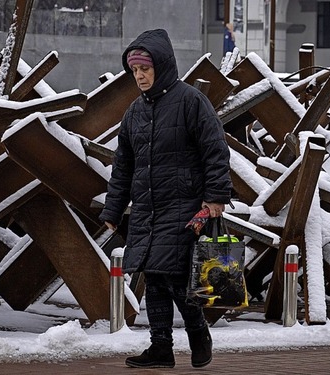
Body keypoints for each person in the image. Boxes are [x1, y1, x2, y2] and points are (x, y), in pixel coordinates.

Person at [99, 29, 232, 369]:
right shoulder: (134, 113)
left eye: (145, 68)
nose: (139, 76)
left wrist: (215, 197)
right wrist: (113, 209)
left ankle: (198, 331)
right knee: (154, 275)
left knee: (172, 276)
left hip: (186, 205)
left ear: (162, 65)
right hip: (148, 209)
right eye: (134, 71)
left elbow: (215, 149)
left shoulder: (190, 101)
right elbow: (123, 166)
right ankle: (161, 347)